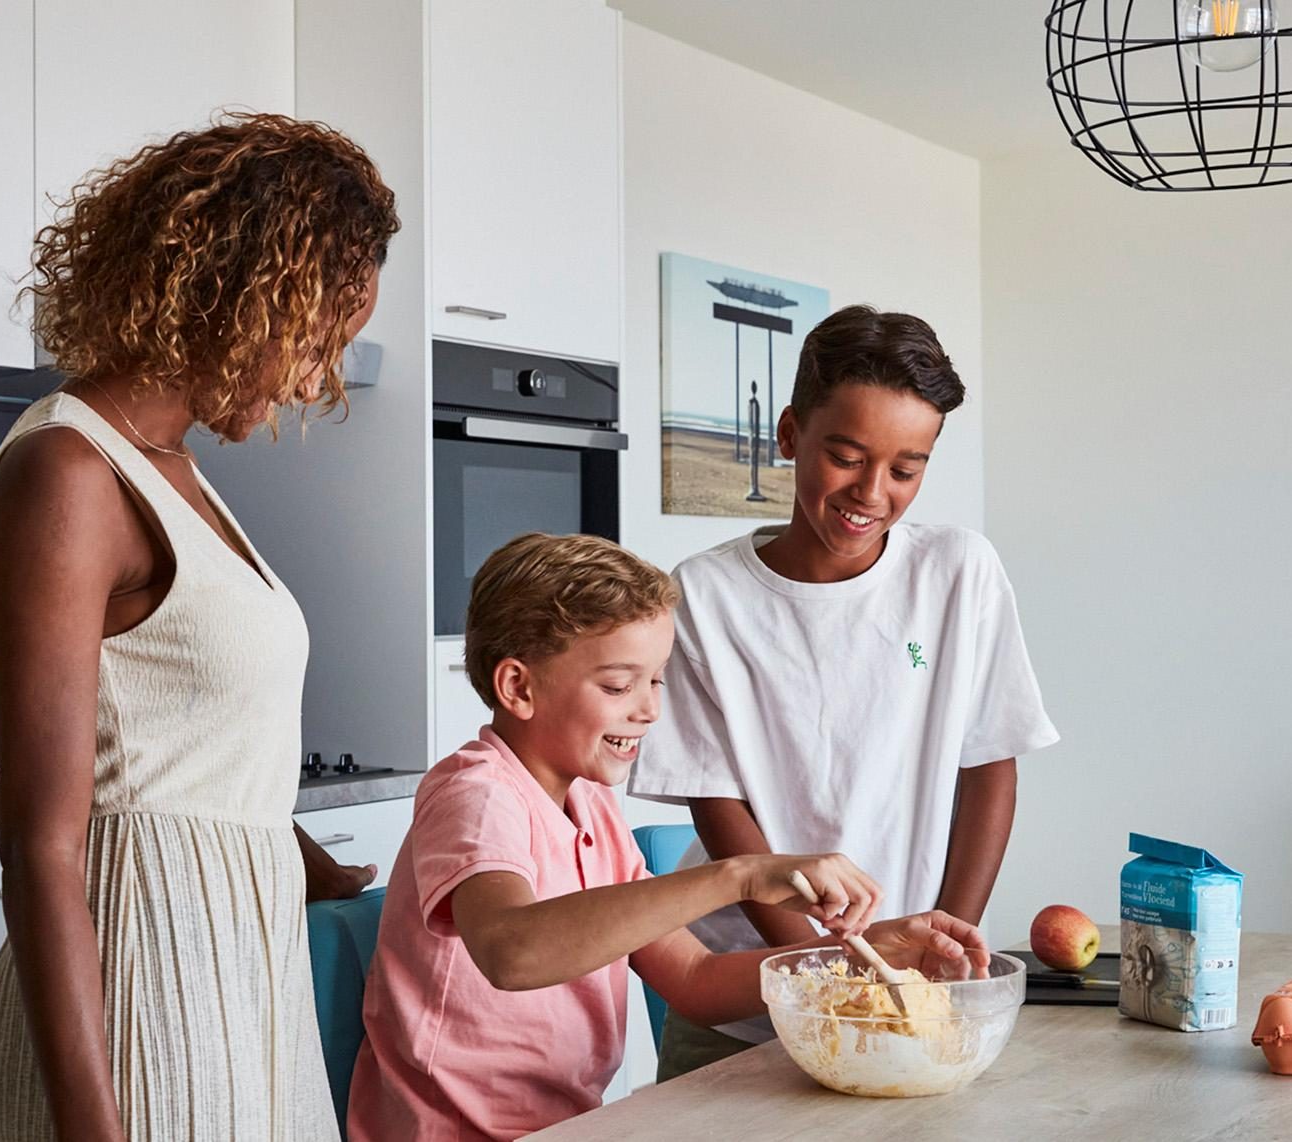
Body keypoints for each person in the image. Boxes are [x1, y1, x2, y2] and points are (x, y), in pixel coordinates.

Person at [0, 112, 400, 1141]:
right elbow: (42, 837)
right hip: (133, 1003)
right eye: (315, 339)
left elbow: (176, 742)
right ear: (238, 288)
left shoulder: (178, 472)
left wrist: (297, 853)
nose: (313, 381)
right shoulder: (68, 472)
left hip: (236, 976)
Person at [349, 532, 988, 1141]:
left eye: (657, 680)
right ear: (518, 686)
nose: (650, 708)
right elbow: (512, 952)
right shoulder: (477, 794)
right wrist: (736, 873)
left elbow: (697, 979)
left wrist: (859, 955)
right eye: (618, 685)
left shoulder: (591, 806)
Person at [629, 305, 1060, 1079]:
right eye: (847, 456)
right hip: (747, 1004)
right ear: (790, 435)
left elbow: (989, 764)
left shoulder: (959, 573)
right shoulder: (705, 595)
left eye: (906, 468)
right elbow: (717, 804)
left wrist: (944, 939)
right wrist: (822, 971)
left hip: (909, 989)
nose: (872, 492)